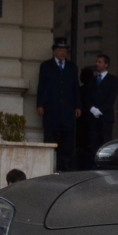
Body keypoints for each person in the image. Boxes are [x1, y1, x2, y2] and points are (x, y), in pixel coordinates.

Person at [37, 38, 81, 172]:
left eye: (65, 50)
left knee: (67, 143)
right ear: (54, 51)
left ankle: (65, 169)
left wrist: (78, 106)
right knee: (50, 139)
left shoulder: (72, 67)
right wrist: (40, 104)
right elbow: (41, 87)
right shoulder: (46, 66)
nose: (63, 53)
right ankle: (49, 168)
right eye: (60, 50)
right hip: (51, 110)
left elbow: (76, 88)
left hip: (67, 111)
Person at [85, 53, 118, 151]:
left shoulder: (113, 80)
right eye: (96, 61)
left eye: (100, 62)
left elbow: (111, 98)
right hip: (92, 117)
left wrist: (100, 110)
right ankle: (93, 165)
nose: (97, 64)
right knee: (93, 143)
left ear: (106, 64)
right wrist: (92, 109)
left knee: (105, 143)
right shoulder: (92, 80)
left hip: (106, 117)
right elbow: (87, 96)